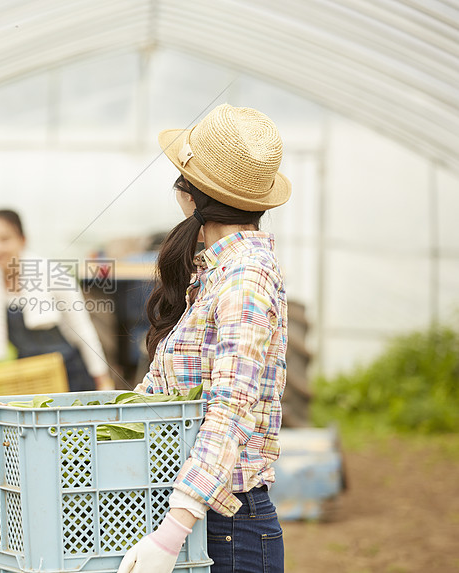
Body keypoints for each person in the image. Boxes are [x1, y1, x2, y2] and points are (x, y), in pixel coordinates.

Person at [118, 104, 290, 573]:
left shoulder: (245, 282)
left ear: (191, 195)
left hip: (228, 530)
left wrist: (171, 535)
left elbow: (230, 410)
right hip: (200, 518)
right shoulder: (216, 273)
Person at [0, 209, 114, 393]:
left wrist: (103, 382)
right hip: (29, 380)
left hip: (71, 377)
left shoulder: (52, 274)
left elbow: (83, 331)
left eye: (5, 239)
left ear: (22, 240)